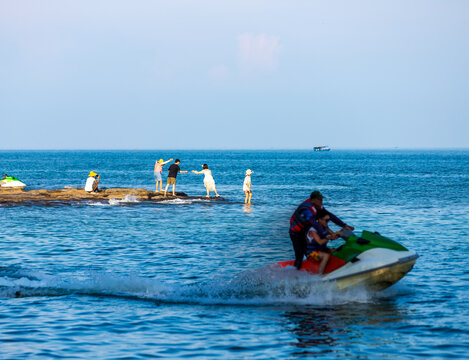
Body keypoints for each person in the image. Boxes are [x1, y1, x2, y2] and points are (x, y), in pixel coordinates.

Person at [289, 190, 354, 269]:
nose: (321, 201)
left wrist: (344, 225)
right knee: (300, 255)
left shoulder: (318, 206)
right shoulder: (306, 210)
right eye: (319, 199)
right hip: (297, 234)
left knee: (320, 249)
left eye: (322, 199)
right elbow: (314, 224)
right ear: (312, 200)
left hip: (306, 230)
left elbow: (330, 216)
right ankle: (296, 275)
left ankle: (317, 268)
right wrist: (327, 235)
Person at [306, 209, 342, 274]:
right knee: (326, 256)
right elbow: (320, 242)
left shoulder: (326, 227)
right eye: (326, 220)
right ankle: (320, 276)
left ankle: (338, 269)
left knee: (337, 251)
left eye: (329, 220)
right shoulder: (313, 230)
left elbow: (333, 236)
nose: (328, 222)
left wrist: (342, 231)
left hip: (322, 250)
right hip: (311, 253)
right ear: (320, 220)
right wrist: (329, 238)